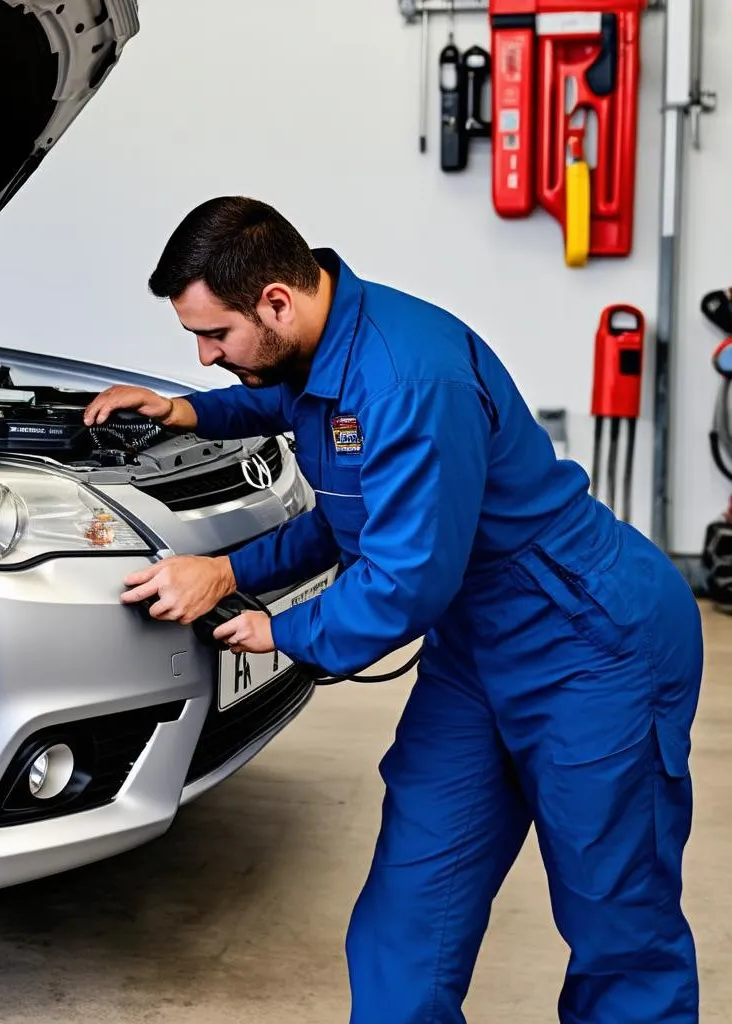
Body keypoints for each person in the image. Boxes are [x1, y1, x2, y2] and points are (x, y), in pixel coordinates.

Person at [83, 196, 703, 1024]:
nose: (203, 357)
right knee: (411, 908)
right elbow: (301, 437)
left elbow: (406, 582)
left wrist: (278, 627)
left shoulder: (410, 378)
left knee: (616, 918)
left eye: (215, 336)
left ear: (276, 301)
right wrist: (187, 412)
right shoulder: (315, 351)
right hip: (476, 649)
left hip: (590, 639)